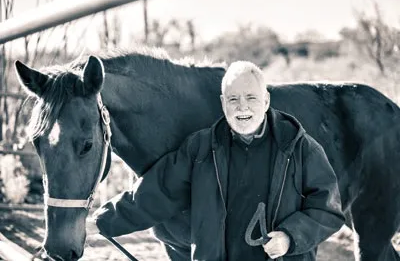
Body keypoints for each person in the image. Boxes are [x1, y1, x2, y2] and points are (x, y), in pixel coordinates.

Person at [88, 61, 345, 260]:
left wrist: (291, 237)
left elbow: (327, 209)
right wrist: (101, 222)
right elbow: (156, 192)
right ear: (223, 104)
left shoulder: (301, 148)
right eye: (233, 99)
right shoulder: (200, 148)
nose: (242, 108)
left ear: (266, 101)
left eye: (251, 98)